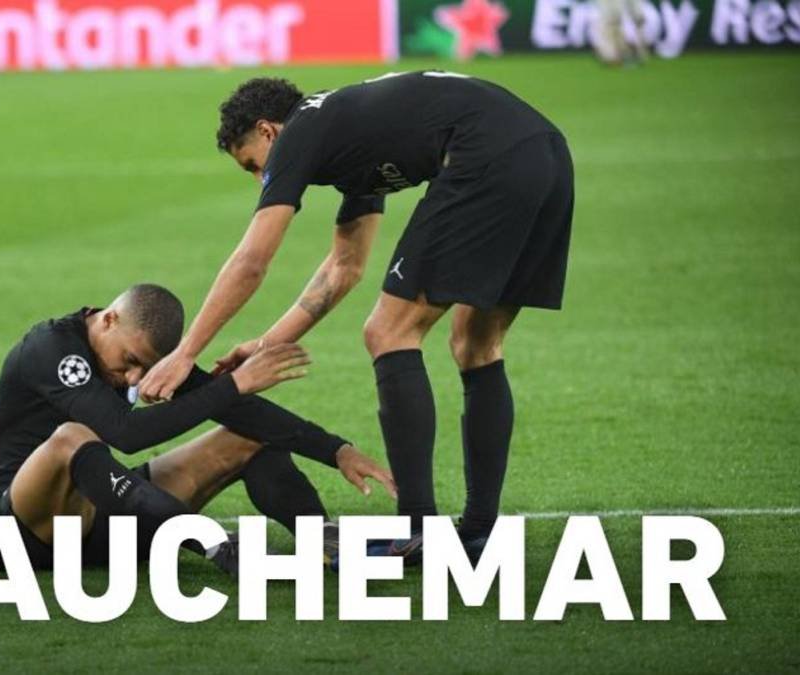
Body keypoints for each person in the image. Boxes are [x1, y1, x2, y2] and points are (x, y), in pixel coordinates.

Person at [137, 72, 574, 564]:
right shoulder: (348, 135)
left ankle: (418, 528)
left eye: (253, 165)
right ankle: (478, 532)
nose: (261, 177)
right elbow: (345, 268)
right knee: (476, 345)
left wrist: (186, 352)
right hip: (547, 154)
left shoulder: (300, 131)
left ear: (267, 131)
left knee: (388, 332)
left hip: (486, 156)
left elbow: (252, 261)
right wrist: (265, 345)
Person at [0, 283, 395, 575]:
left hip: (104, 521)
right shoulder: (52, 349)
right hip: (22, 534)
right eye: (130, 360)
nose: (134, 378)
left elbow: (235, 408)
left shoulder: (131, 355)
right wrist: (233, 385)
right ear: (108, 320)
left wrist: (335, 450)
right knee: (72, 438)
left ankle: (322, 539)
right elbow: (125, 433)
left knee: (246, 437)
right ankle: (216, 544)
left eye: (146, 367)